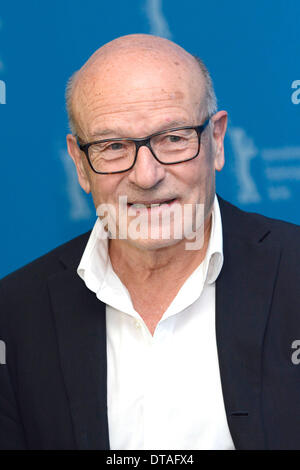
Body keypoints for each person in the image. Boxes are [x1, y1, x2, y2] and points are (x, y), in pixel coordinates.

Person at [1, 33, 300, 451]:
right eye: (114, 146)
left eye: (173, 138)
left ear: (216, 140)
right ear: (80, 164)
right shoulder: (13, 314)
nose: (146, 175)